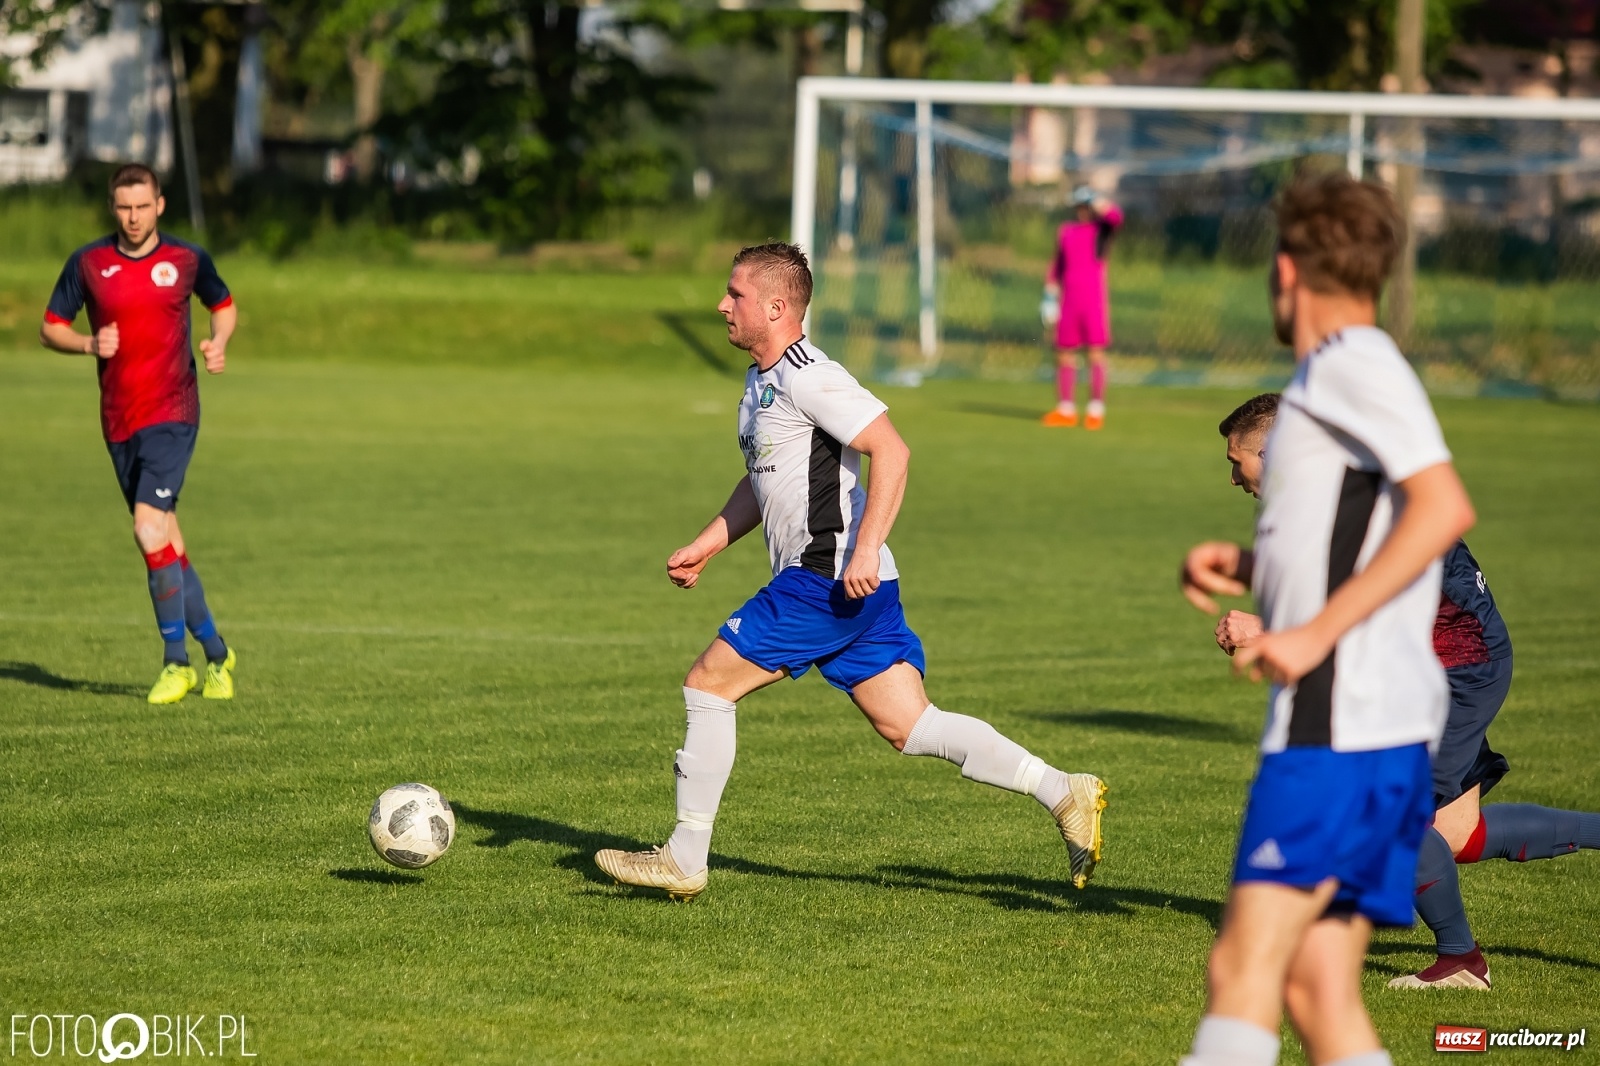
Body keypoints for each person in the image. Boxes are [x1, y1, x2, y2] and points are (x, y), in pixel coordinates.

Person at [594, 242, 1107, 900]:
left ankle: (685, 857)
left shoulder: (812, 375)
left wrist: (865, 547)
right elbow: (765, 479)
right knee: (912, 725)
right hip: (857, 586)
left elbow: (891, 448)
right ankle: (1064, 790)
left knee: (708, 685)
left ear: (777, 307)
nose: (722, 305)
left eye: (736, 295)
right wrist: (710, 542)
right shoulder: (762, 381)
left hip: (825, 580)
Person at [1177, 173, 1477, 1066]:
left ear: (1286, 271)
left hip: (1337, 729)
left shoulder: (1351, 364)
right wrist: (1252, 564)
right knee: (1317, 991)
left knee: (1242, 970)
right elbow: (1356, 534)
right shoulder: (1335, 373)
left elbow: (1441, 508)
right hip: (1370, 733)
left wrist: (1308, 634)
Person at [1214, 392, 1600, 991]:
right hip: (1442, 662)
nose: (1234, 477)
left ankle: (1461, 961)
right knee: (1454, 834)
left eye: (1239, 462)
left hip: (1453, 668)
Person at [39, 163, 238, 704]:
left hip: (174, 414)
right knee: (167, 539)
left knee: (148, 529)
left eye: (142, 206)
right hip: (119, 421)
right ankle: (217, 654)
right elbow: (50, 327)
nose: (133, 217)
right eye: (124, 207)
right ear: (113, 207)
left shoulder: (186, 259)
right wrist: (86, 344)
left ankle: (177, 663)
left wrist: (218, 343)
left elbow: (223, 303)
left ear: (160, 205)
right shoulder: (89, 263)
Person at [1041, 186, 1122, 430]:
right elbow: (1058, 265)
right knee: (1064, 353)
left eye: (1087, 206)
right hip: (1069, 302)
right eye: (1080, 206)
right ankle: (1066, 409)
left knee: (1095, 353)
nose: (1083, 211)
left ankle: (1095, 409)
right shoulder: (1066, 231)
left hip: (1093, 302)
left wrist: (1099, 201)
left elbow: (1116, 217)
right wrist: (1049, 294)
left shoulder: (1101, 231)